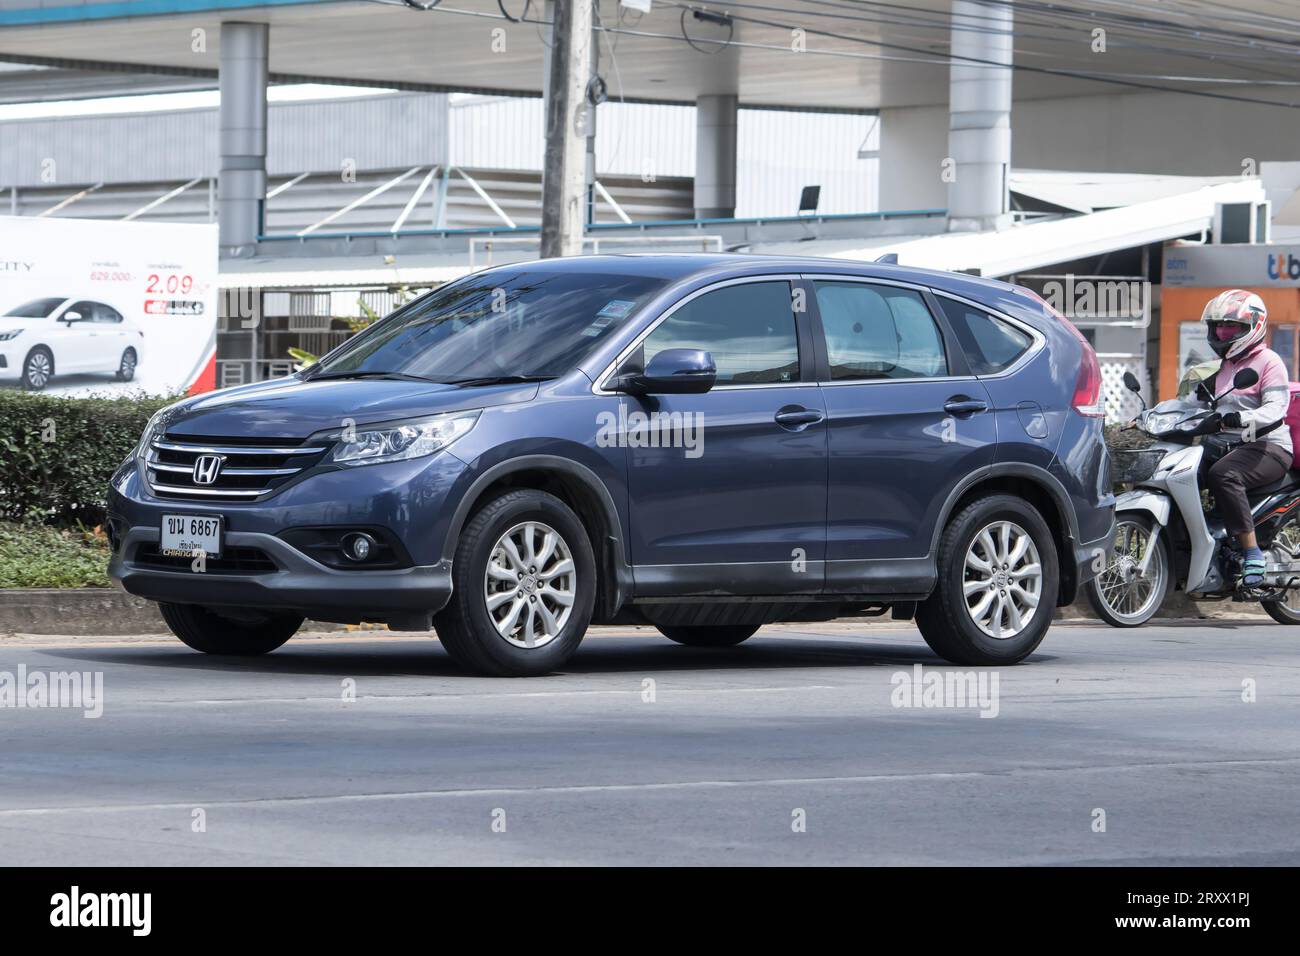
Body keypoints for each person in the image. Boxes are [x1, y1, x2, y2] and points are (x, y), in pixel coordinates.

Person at [1190, 290, 1293, 586]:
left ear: (1253, 327)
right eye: (1219, 326)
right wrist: (1152, 416)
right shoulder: (1218, 367)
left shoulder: (1268, 362)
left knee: (1224, 474)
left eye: (1231, 326)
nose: (1223, 332)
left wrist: (1242, 418)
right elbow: (1192, 405)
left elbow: (1277, 408)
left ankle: (1252, 552)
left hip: (1268, 446)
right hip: (1228, 445)